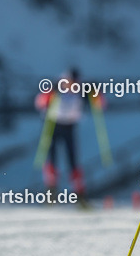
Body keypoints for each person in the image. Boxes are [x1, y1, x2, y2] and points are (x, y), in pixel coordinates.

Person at [35, 69, 103, 203]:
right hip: (52, 125)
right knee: (52, 159)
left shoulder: (81, 90)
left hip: (70, 127)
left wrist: (96, 93)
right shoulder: (57, 87)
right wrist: (50, 94)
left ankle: (80, 194)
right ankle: (51, 192)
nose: (73, 86)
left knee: (73, 161)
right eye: (71, 83)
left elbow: (100, 105)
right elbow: (40, 103)